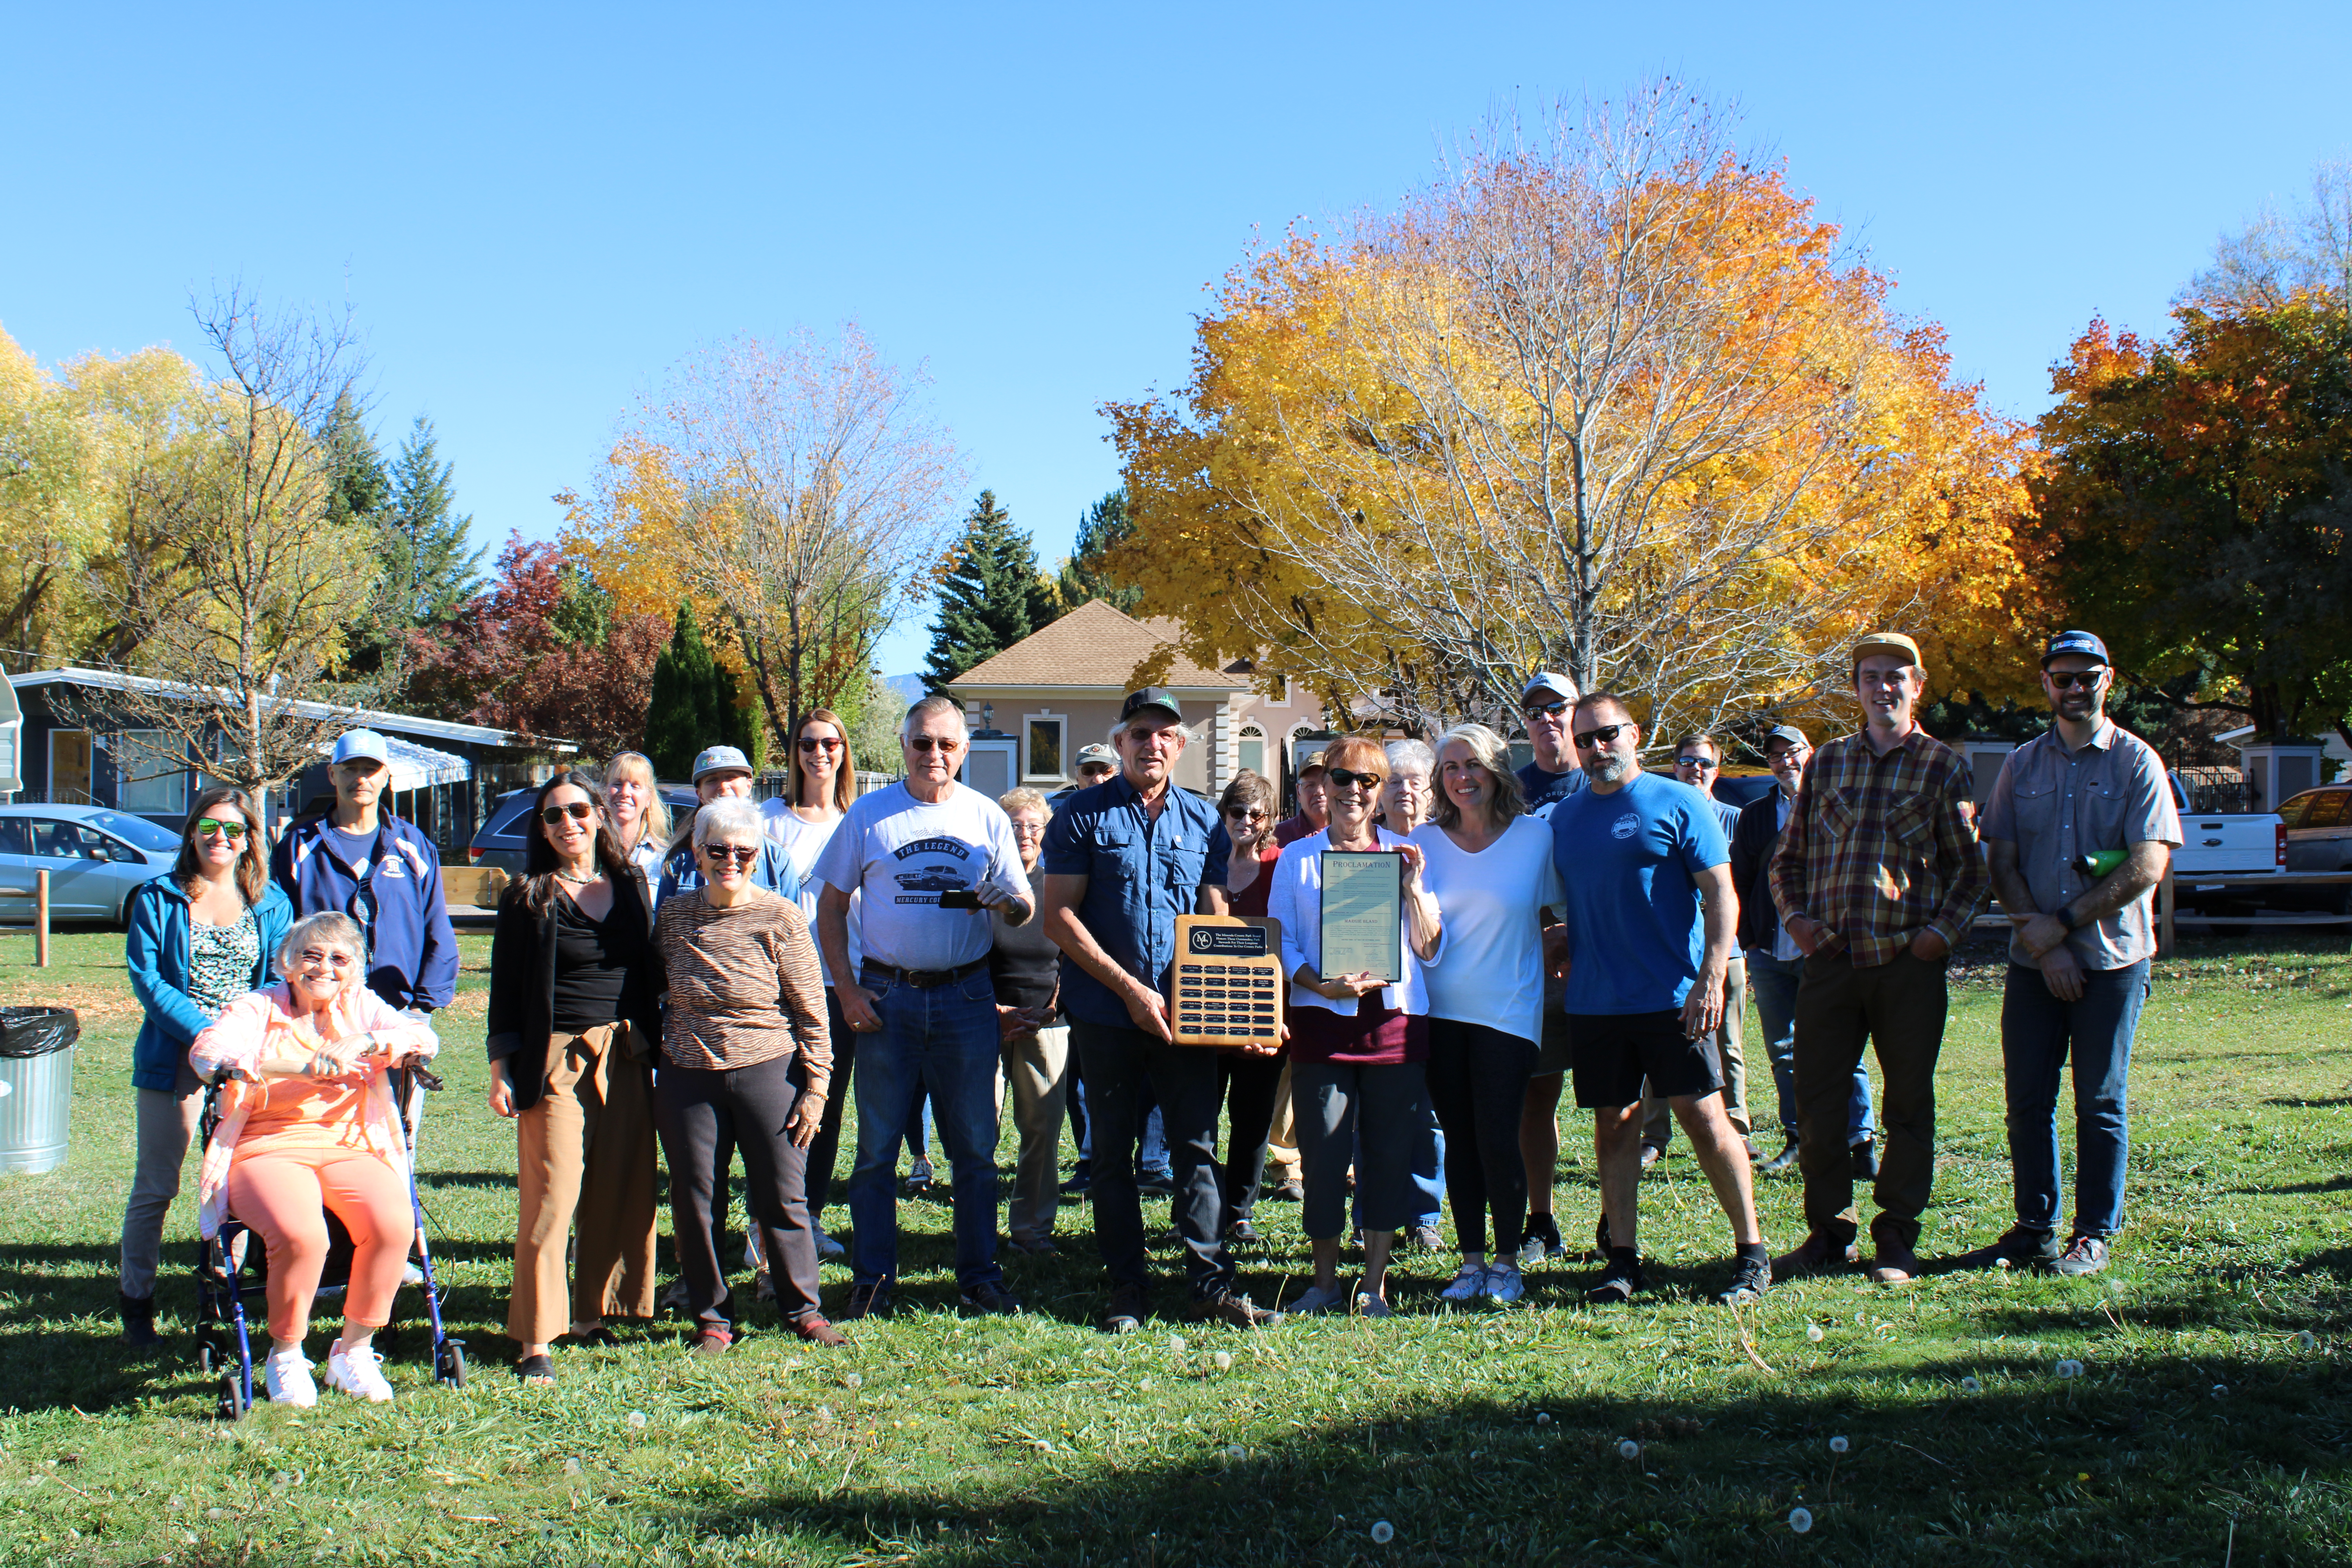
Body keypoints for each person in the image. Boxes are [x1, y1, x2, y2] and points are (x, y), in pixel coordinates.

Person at [1042, 688, 1276, 1333]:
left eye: (1166, 734)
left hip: (1185, 1015)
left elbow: (1214, 920)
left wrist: (1245, 1005)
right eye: (1141, 733)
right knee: (1112, 1154)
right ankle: (1127, 1287)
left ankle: (1209, 1286)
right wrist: (1131, 990)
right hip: (1106, 1014)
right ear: (1120, 742)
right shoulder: (1079, 816)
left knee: (1197, 1147)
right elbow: (1058, 917)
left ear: (1180, 745)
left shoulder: (1204, 821)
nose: (1153, 744)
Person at [1770, 632, 1988, 1285]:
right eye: (1870, 675)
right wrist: (1799, 922)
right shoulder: (1828, 762)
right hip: (1831, 961)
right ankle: (1829, 1233)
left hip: (1906, 964)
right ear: (1857, 688)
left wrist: (1938, 938)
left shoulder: (1942, 766)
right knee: (1817, 1103)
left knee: (1908, 1106)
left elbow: (1971, 871)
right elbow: (1788, 859)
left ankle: (1896, 1233)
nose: (1882, 686)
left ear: (1917, 686)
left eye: (1896, 676)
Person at [1549, 692, 1771, 1306]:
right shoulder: (1565, 819)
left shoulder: (1679, 801)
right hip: (1596, 1002)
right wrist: (1562, 936)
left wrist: (1712, 977)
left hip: (1674, 997)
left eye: (1608, 734)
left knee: (1704, 1118)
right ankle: (1622, 1259)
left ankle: (1752, 1253)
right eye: (1584, 739)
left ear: (1635, 734)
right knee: (1614, 1126)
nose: (1598, 748)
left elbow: (1722, 895)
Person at [1971, 630, 2180, 1276]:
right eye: (2063, 678)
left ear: (2107, 680)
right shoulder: (2021, 765)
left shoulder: (2137, 762)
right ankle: (2034, 1228)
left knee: (2101, 1102)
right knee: (2027, 1101)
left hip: (2112, 962)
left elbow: (2148, 864)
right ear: (2046, 684)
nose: (2074, 688)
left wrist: (2060, 927)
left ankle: (2092, 1235)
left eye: (2087, 677)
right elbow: (2001, 860)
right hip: (2034, 962)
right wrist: (2041, 941)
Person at [816, 695, 1030, 1319]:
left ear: (964, 750)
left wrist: (1007, 903)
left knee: (976, 1150)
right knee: (877, 1150)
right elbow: (831, 906)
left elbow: (1024, 908)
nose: (933, 754)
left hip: (967, 996)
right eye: (922, 742)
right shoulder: (869, 814)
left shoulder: (986, 816)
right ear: (904, 745)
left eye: (946, 744)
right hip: (889, 995)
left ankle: (979, 1278)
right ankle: (873, 1279)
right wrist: (847, 989)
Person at [188, 912, 439, 1406]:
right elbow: (208, 1053)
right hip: (268, 1145)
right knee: (303, 1236)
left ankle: (354, 1351)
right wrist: (295, 1067)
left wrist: (366, 1040)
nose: (325, 967)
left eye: (339, 958)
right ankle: (285, 1354)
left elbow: (424, 1039)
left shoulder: (361, 1005)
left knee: (393, 1226)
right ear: (288, 961)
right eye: (312, 955)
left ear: (355, 969)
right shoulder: (258, 1008)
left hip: (349, 1144)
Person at [485, 772, 661, 1385]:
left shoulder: (631, 883)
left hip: (626, 1053)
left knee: (618, 1187)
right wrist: (501, 1069)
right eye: (554, 815)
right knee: (553, 1196)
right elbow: (505, 990)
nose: (568, 824)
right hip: (555, 1058)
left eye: (579, 810)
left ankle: (591, 1315)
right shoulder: (527, 895)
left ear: (599, 816)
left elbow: (650, 971)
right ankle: (536, 1338)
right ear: (541, 829)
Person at [652, 797, 844, 1350]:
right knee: (696, 1200)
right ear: (697, 853)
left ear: (758, 857)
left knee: (783, 1197)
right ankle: (713, 1318)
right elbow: (654, 987)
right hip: (689, 1073)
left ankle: (803, 1310)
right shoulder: (674, 917)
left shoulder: (781, 916)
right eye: (718, 850)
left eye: (743, 851)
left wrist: (817, 1088)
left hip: (768, 1070)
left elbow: (812, 1009)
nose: (730, 860)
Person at [1265, 736, 1444, 1316]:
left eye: (1369, 781)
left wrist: (1412, 890)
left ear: (1382, 790)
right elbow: (1281, 940)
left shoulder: (1407, 854)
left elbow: (1431, 948)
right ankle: (1324, 1284)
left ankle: (1374, 1285)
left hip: (1394, 1029)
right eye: (1343, 778)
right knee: (1322, 1159)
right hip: (1322, 1028)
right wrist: (1322, 985)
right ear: (1325, 784)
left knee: (1388, 1157)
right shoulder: (1297, 857)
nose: (1354, 791)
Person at [120, 788, 294, 1345]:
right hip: (175, 1057)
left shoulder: (271, 902)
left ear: (249, 840)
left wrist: (240, 1042)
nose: (222, 838)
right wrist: (205, 1034)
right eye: (211, 826)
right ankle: (137, 1304)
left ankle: (223, 1296)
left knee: (234, 1185)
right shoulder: (159, 897)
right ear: (192, 831)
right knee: (157, 1185)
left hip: (244, 1063)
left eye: (234, 830)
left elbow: (278, 979)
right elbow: (149, 979)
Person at [1412, 724, 1561, 1307]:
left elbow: (1562, 913)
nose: (1462, 777)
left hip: (1509, 1011)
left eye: (1472, 764)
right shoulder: (1423, 841)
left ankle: (1507, 1264)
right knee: (1460, 1138)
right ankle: (1471, 1262)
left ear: (1497, 770)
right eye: (1450, 767)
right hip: (1440, 1012)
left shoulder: (1536, 837)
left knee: (1499, 1136)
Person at [655, 742, 800, 1310]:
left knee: (777, 1185)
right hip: (691, 1054)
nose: (726, 790)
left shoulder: (776, 867)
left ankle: (779, 1283)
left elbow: (797, 969)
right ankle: (705, 1296)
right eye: (714, 782)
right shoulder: (675, 875)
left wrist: (810, 1074)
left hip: (765, 1050)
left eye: (736, 780)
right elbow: (660, 963)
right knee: (698, 1188)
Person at [1732, 725, 1877, 1176]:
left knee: (1843, 1046)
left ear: (1810, 753)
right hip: (1770, 951)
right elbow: (1741, 880)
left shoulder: (1837, 804)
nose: (1785, 762)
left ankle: (1861, 1143)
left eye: (1792, 752)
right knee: (1784, 1051)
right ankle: (1798, 1138)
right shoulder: (1755, 815)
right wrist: (1750, 940)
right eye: (1775, 756)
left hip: (1828, 949)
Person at [761, 710, 864, 1265]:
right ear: (795, 752)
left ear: (844, 750)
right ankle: (767, 1222)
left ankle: (811, 1217)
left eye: (830, 743)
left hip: (840, 981)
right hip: (774, 985)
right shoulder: (768, 821)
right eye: (807, 743)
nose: (818, 752)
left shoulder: (858, 819)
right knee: (776, 1103)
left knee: (825, 1102)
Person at [270, 726, 457, 1022]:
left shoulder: (414, 846)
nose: (360, 779)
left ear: (386, 776)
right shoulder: (299, 846)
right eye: (350, 769)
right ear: (332, 774)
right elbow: (279, 931)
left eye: (371, 769)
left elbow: (436, 923)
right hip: (319, 1008)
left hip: (399, 1009)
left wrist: (424, 1004)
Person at [1637, 734, 1755, 1167]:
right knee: (1659, 1042)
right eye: (1687, 761)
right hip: (1670, 951)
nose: (1696, 769)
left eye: (1705, 762)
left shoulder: (1736, 820)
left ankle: (1736, 1130)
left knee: (1728, 1044)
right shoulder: (1659, 814)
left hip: (1727, 950)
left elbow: (1745, 886)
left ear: (1717, 770)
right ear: (1675, 766)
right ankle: (1655, 1136)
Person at [1205, 769, 1295, 1243]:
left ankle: (1239, 1211)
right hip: (1205, 1007)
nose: (1246, 821)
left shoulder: (1282, 865)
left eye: (1256, 814)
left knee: (1253, 1118)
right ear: (1223, 814)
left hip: (1264, 1012)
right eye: (1237, 811)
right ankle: (1197, 1208)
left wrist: (1277, 1015)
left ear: (1270, 819)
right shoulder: (1204, 863)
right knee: (1199, 1119)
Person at [1512, 671, 1583, 1269]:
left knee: (1616, 1103)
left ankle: (1617, 1223)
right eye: (1535, 712)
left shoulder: (1604, 779)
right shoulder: (1510, 792)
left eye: (1556, 707)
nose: (1546, 720)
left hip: (1605, 964)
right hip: (1537, 970)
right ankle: (1541, 1220)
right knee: (1537, 1097)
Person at [992, 788, 1069, 1255]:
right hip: (984, 1021)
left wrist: (1053, 1007)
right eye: (1015, 826)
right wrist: (995, 1012)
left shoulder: (1058, 885)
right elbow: (963, 953)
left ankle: (1032, 1228)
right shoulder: (986, 888)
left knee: (1042, 1128)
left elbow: (1072, 954)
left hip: (1047, 1023)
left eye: (1033, 826)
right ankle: (978, 1227)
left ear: (1046, 831)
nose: (1025, 834)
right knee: (979, 1129)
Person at [1380, 737, 1447, 1253]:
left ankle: (1425, 1214)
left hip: (1441, 999)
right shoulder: (1364, 846)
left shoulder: (1446, 845)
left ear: (1432, 790)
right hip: (1376, 1002)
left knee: (1428, 1115)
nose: (1404, 790)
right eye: (1394, 781)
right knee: (1375, 1116)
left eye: (1415, 781)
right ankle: (1375, 1212)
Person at [602, 751, 672, 882]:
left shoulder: (665, 858)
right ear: (604, 790)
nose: (625, 792)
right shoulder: (590, 852)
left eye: (635, 786)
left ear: (649, 798)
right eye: (617, 784)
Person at [1272, 750, 1330, 846]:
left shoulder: (1350, 835)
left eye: (1325, 784)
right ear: (1299, 792)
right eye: (1310, 785)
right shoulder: (1278, 837)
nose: (1319, 792)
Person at [1052, 744, 1120, 802]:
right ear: (1078, 779)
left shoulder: (1125, 808)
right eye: (1088, 771)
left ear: (1119, 774)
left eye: (1106, 771)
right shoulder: (1068, 809)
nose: (1098, 780)